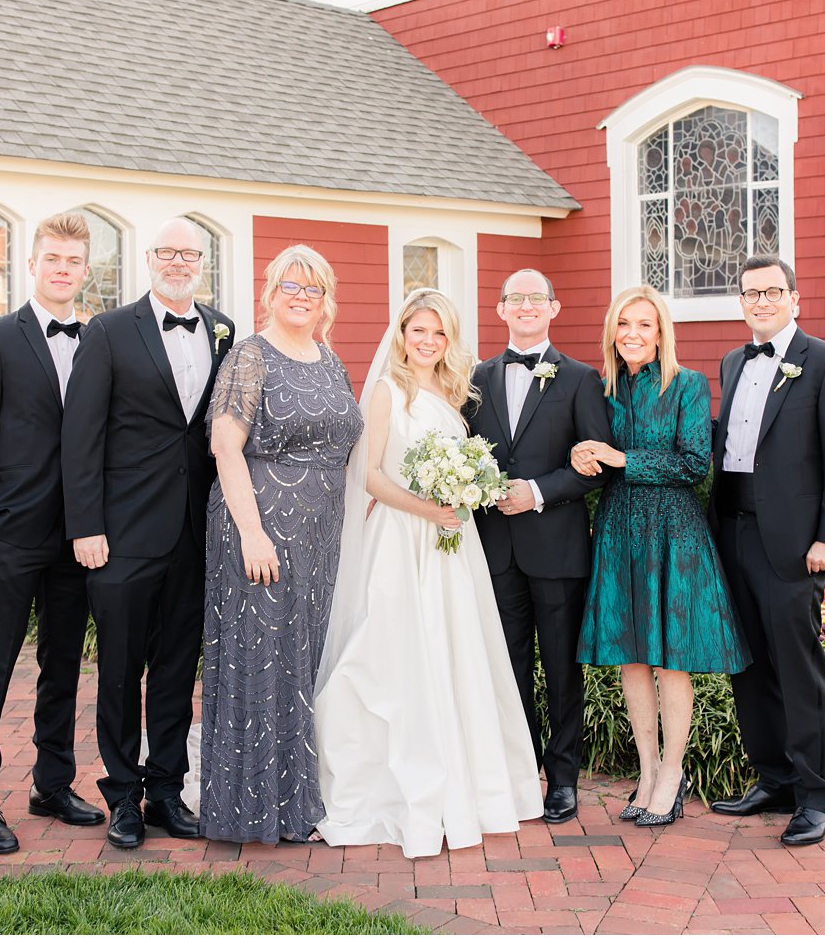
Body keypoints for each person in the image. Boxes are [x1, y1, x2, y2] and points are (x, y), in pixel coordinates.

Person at [314, 289, 544, 859]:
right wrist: (429, 509)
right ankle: (387, 786)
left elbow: (468, 465)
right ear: (402, 333)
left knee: (457, 651)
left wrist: (470, 489)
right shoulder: (387, 393)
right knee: (392, 653)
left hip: (451, 544)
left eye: (438, 333)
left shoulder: (453, 392)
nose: (427, 340)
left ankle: (470, 784)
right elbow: (369, 476)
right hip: (402, 539)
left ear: (449, 341)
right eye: (418, 329)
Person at [62, 217, 236, 849]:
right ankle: (122, 796)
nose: (179, 262)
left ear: (203, 261)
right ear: (149, 258)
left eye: (190, 253)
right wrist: (85, 525)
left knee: (174, 669)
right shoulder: (108, 331)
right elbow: (79, 436)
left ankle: (166, 789)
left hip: (195, 532)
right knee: (118, 671)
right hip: (122, 533)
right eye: (168, 252)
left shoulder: (224, 329)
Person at [0, 213, 103, 855]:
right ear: (33, 265)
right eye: (52, 259)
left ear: (86, 270)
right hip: (9, 535)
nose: (62, 269)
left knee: (62, 665)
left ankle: (52, 782)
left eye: (73, 261)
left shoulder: (100, 340)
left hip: (77, 537)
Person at [200, 246, 363, 845]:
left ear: (326, 299)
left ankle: (293, 800)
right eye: (291, 286)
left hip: (318, 536)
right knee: (258, 658)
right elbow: (224, 447)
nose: (301, 296)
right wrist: (251, 532)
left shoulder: (328, 358)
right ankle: (246, 808)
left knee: (300, 661)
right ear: (270, 292)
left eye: (313, 289)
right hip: (260, 528)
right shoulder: (250, 355)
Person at [570, 286, 750, 829]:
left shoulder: (689, 385)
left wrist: (623, 457)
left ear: (661, 332)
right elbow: (589, 452)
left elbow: (695, 463)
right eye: (623, 324)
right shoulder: (599, 389)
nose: (632, 334)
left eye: (644, 324)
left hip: (672, 530)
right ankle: (646, 771)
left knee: (670, 656)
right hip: (618, 528)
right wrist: (582, 454)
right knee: (631, 655)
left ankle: (673, 771)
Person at [708, 257, 825, 847]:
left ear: (795, 298)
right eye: (752, 293)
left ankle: (815, 796)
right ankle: (772, 779)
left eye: (774, 291)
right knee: (748, 667)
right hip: (733, 531)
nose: (762, 301)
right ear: (742, 301)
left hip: (795, 544)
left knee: (798, 669)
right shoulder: (731, 361)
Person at [464, 269, 612, 824]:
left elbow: (597, 466)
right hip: (495, 548)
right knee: (508, 665)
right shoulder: (474, 379)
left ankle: (564, 778)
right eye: (515, 299)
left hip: (557, 548)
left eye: (536, 298)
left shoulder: (580, 379)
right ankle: (520, 771)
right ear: (500, 309)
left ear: (554, 307)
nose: (526, 306)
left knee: (560, 666)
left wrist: (537, 492)